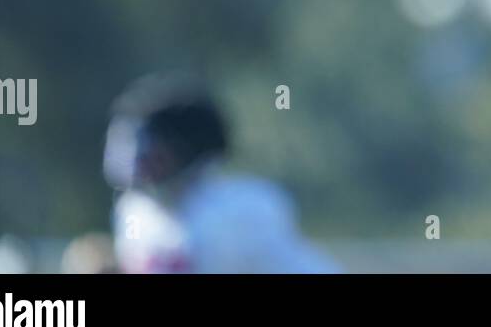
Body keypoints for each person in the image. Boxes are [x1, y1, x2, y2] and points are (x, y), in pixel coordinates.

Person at [102, 73, 337, 273]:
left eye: (153, 149)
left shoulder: (235, 212)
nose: (136, 158)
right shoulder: (136, 212)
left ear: (187, 150)